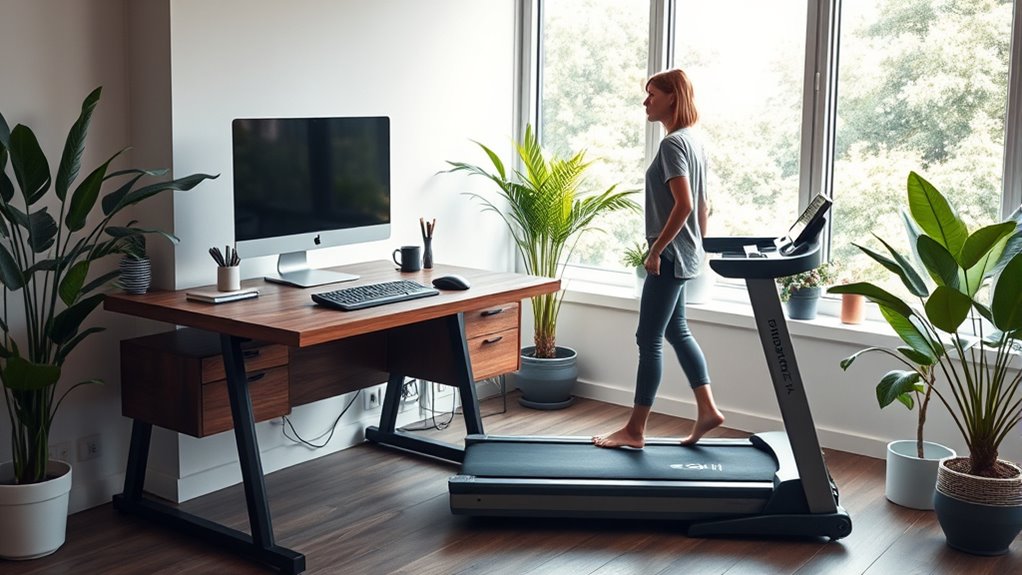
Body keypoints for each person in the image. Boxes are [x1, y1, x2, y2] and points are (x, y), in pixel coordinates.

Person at [593, 68, 723, 449]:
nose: (645, 101)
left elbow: (683, 204)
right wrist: (699, 246)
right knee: (676, 331)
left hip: (669, 256)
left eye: (652, 94)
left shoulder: (671, 146)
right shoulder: (692, 142)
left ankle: (634, 430)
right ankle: (708, 409)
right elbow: (703, 205)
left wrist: (657, 249)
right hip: (686, 255)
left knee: (647, 338)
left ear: (671, 97)